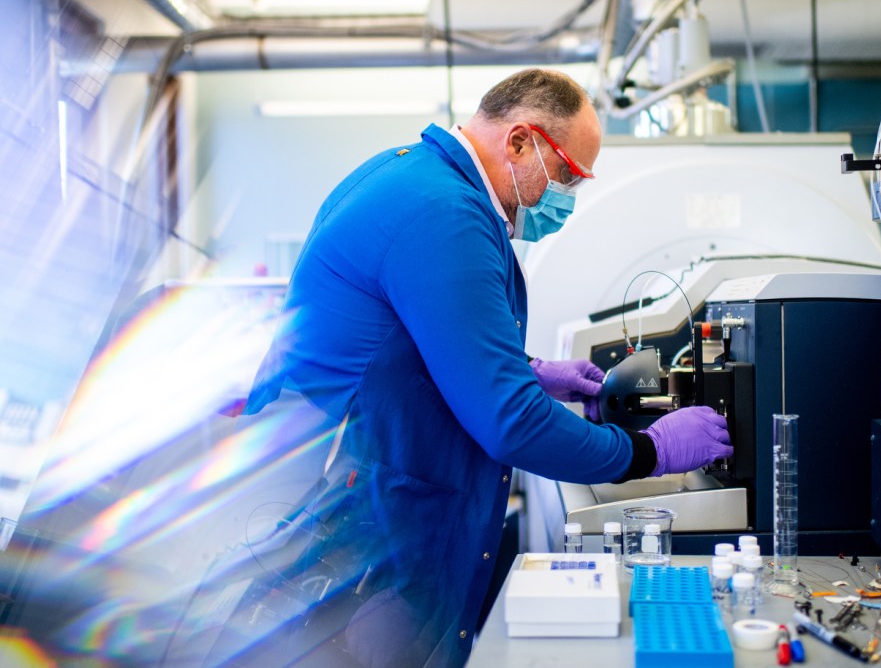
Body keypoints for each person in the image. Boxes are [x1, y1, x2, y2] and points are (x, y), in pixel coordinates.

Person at [240, 68, 732, 668]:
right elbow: (513, 425)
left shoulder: (406, 174)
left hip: (378, 484)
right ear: (521, 141)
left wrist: (529, 368)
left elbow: (419, 332)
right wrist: (649, 450)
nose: (568, 197)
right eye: (570, 175)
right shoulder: (447, 214)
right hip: (381, 511)